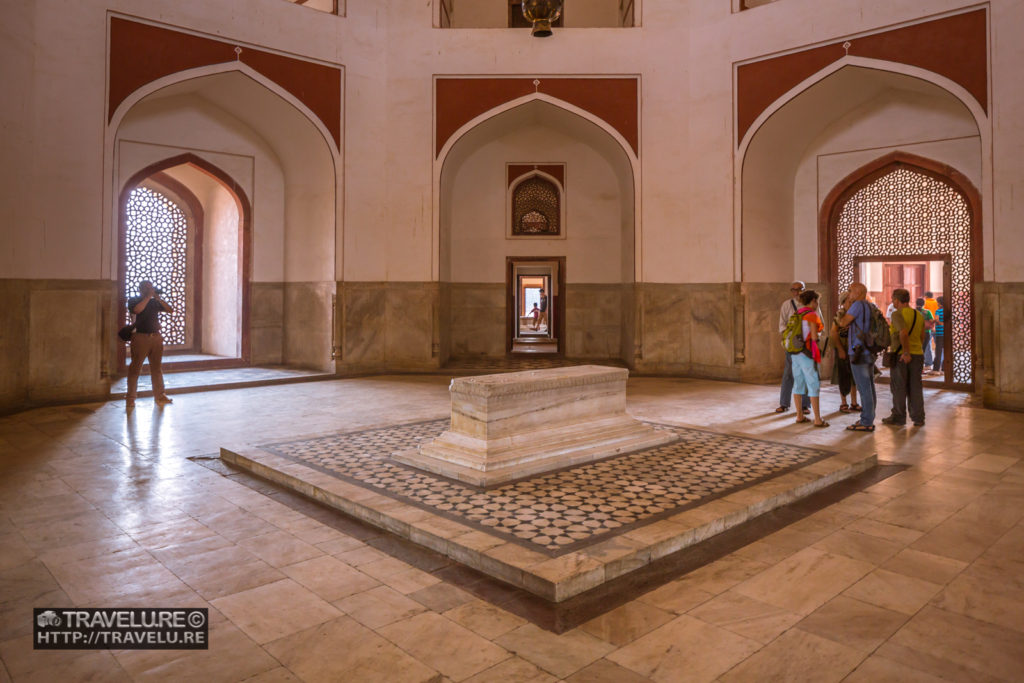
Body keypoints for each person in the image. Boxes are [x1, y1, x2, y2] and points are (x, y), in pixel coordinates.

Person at [126, 280, 174, 409]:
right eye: (147, 288)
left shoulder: (154, 302)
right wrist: (147, 297)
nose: (150, 289)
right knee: (135, 368)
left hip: (156, 338)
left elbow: (170, 310)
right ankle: (130, 398)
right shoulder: (134, 300)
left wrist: (158, 298)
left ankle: (160, 395)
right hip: (140, 337)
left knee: (156, 368)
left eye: (151, 287)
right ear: (140, 289)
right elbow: (137, 310)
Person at [883, 289, 926, 427]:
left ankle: (899, 417)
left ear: (897, 300)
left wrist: (906, 352)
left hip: (902, 356)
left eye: (893, 299)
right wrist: (915, 349)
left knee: (899, 387)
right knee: (915, 387)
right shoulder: (918, 314)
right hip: (917, 354)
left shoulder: (897, 314)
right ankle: (918, 418)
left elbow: (903, 332)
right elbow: (922, 335)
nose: (892, 302)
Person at [839, 282, 877, 432]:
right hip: (868, 350)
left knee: (863, 387)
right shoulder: (869, 305)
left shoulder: (857, 305)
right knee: (869, 386)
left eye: (850, 291)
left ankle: (866, 421)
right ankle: (868, 417)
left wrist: (847, 306)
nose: (849, 294)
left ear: (858, 292)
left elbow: (843, 322)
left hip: (857, 351)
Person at [790, 290, 828, 427]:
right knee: (813, 384)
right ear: (812, 301)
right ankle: (818, 419)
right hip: (807, 354)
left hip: (795, 353)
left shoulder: (797, 314)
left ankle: (799, 415)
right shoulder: (811, 315)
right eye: (816, 301)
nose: (817, 304)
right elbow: (813, 337)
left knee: (798, 384)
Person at [775, 281, 809, 415]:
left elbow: (818, 323)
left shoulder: (810, 304)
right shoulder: (786, 305)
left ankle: (805, 405)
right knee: (788, 373)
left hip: (806, 344)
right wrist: (789, 337)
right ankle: (784, 403)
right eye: (793, 290)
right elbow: (781, 324)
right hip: (792, 344)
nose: (796, 292)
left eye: (799, 289)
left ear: (804, 290)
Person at [829, 290, 859, 414]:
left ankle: (854, 402)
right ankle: (843, 402)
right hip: (843, 348)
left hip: (853, 349)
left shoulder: (855, 314)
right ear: (843, 302)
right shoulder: (840, 314)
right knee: (843, 375)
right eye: (849, 301)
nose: (851, 303)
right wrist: (840, 349)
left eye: (853, 301)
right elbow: (833, 333)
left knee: (854, 377)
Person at [915, 297, 935, 369]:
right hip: (926, 333)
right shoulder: (927, 312)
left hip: (915, 333)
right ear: (924, 304)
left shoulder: (913, 311)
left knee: (915, 349)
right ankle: (923, 366)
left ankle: (915, 366)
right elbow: (932, 321)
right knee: (923, 349)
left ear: (916, 303)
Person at [932, 295, 946, 375]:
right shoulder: (948, 311)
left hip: (939, 334)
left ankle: (936, 369)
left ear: (940, 303)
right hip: (947, 334)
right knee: (946, 351)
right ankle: (944, 369)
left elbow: (937, 320)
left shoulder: (938, 311)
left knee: (938, 351)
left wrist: (935, 321)